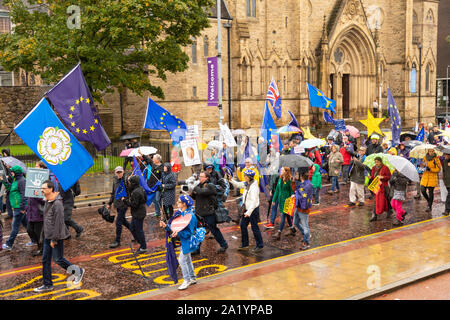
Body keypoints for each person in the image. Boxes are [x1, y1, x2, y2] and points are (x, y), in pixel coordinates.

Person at [34, 180, 85, 292]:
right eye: (41, 188)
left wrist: (54, 239)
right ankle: (47, 284)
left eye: (44, 188)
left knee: (58, 259)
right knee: (45, 260)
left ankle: (78, 271)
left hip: (55, 237)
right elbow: (46, 216)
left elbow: (58, 224)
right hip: (48, 235)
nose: (42, 190)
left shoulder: (57, 204)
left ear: (51, 189)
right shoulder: (48, 200)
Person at [159, 194, 200, 290]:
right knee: (188, 259)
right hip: (183, 242)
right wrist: (166, 226)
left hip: (188, 242)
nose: (177, 203)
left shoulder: (191, 216)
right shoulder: (181, 213)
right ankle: (192, 278)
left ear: (184, 204)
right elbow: (175, 227)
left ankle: (186, 280)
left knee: (182, 260)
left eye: (179, 202)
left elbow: (189, 233)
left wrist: (178, 234)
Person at [228, 169, 264, 253]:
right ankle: (245, 244)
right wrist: (231, 180)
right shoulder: (247, 184)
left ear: (249, 177)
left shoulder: (254, 187)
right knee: (243, 225)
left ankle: (260, 245)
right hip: (247, 209)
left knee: (254, 228)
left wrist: (248, 213)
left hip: (252, 210)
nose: (244, 177)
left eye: (245, 176)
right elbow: (239, 184)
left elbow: (254, 202)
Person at [192, 171, 228, 253]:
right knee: (199, 231)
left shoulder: (210, 185)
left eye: (201, 176)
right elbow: (194, 196)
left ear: (207, 178)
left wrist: (194, 187)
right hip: (199, 212)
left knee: (214, 230)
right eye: (199, 176)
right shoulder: (199, 185)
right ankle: (197, 249)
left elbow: (202, 192)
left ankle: (224, 245)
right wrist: (194, 191)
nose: (199, 178)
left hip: (208, 213)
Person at [1, 165, 29, 250]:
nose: (11, 173)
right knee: (27, 225)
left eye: (12, 171)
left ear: (16, 173)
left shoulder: (22, 181)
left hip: (19, 208)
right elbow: (11, 188)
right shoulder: (16, 181)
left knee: (15, 226)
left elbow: (24, 195)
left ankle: (9, 244)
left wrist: (22, 208)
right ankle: (35, 240)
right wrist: (4, 181)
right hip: (18, 207)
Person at [108, 166, 132, 248]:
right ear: (115, 172)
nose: (119, 174)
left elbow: (130, 191)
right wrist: (109, 203)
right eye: (117, 172)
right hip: (117, 204)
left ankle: (117, 241)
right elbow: (113, 192)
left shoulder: (126, 179)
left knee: (118, 222)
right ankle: (135, 233)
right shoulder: (114, 180)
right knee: (123, 221)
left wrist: (127, 200)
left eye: (120, 172)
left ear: (123, 172)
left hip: (123, 204)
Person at [26, 162, 47, 256]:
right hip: (31, 211)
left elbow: (45, 199)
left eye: (37, 166)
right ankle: (42, 245)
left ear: (42, 167)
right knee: (29, 230)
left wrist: (37, 195)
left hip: (38, 213)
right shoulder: (32, 178)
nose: (35, 167)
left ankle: (41, 248)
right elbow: (29, 196)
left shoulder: (46, 180)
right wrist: (26, 207)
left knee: (38, 232)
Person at [272, 167, 296, 240]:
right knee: (288, 216)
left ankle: (279, 233)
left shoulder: (289, 180)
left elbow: (292, 190)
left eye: (282, 170)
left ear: (286, 171)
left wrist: (292, 194)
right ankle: (292, 229)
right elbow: (277, 190)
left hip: (287, 201)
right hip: (280, 201)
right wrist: (274, 200)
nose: (280, 171)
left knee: (283, 216)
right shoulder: (280, 178)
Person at [126, 175, 147, 254]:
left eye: (130, 182)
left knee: (139, 230)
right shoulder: (140, 189)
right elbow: (145, 199)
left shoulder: (136, 192)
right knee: (132, 228)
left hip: (138, 213)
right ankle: (140, 242)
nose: (129, 184)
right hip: (139, 212)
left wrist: (125, 201)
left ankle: (143, 246)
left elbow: (134, 204)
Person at [293, 172, 313, 250]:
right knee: (295, 223)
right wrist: (293, 182)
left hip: (303, 209)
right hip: (298, 208)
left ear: (301, 177)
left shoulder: (307, 185)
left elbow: (300, 194)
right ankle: (306, 235)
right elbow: (297, 190)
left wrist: (296, 194)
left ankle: (307, 242)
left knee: (305, 227)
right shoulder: (303, 184)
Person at [369, 157, 392, 222]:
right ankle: (374, 215)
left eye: (378, 162)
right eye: (375, 162)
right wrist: (371, 177)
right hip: (377, 186)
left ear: (381, 162)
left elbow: (389, 177)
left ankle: (389, 210)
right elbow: (373, 176)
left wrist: (383, 177)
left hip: (384, 186)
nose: (376, 163)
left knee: (386, 199)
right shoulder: (374, 168)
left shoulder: (385, 167)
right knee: (377, 200)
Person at [441, 152, 450, 216]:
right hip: (447, 181)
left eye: (446, 155)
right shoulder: (444, 162)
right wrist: (444, 179)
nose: (445, 156)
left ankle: (447, 210)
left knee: (449, 196)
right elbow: (443, 171)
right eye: (445, 155)